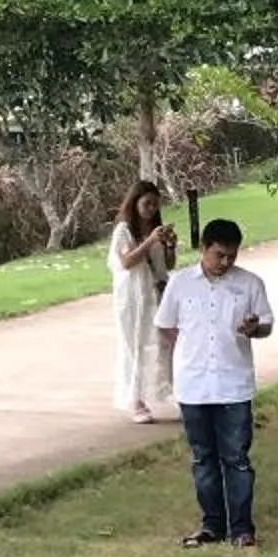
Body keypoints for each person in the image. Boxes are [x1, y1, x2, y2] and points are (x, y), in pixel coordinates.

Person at [154, 218, 275, 549]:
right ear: (204, 248)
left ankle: (241, 528)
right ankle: (212, 525)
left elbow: (266, 325)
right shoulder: (180, 284)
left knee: (236, 458)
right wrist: (188, 351)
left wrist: (254, 329)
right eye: (219, 255)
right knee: (203, 458)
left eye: (232, 256)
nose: (226, 263)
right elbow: (165, 326)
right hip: (194, 384)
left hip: (233, 383)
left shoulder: (250, 284)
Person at [109, 180, 179, 420]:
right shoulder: (123, 231)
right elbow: (126, 262)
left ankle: (174, 393)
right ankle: (136, 400)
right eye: (146, 203)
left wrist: (170, 246)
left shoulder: (157, 228)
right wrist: (150, 241)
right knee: (135, 344)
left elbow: (168, 265)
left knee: (167, 343)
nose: (150, 209)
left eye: (154, 205)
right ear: (135, 203)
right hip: (134, 297)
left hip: (158, 293)